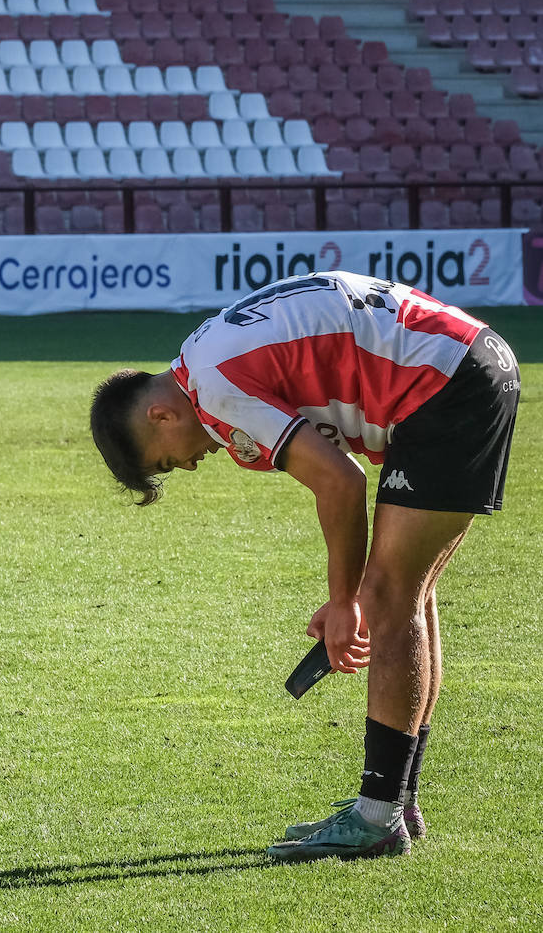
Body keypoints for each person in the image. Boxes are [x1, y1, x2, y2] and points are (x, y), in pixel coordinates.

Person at [89, 271, 518, 861]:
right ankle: (396, 801)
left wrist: (345, 601)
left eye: (167, 461)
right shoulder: (203, 358)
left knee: (392, 595)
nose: (187, 468)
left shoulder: (211, 388)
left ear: (161, 415)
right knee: (407, 594)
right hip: (464, 364)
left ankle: (378, 817)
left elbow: (340, 482)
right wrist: (353, 593)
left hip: (446, 384)